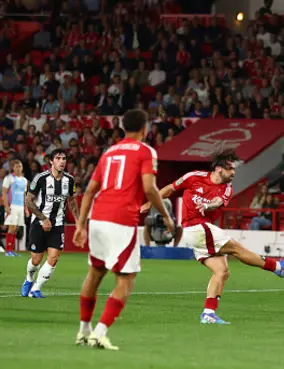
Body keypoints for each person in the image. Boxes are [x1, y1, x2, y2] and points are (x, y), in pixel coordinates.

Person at [142, 147, 284, 324]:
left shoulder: (226, 189)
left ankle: (208, 314)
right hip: (196, 228)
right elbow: (170, 188)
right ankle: (277, 266)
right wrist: (150, 203)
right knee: (236, 248)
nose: (233, 172)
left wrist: (209, 206)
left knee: (222, 271)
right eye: (230, 169)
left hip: (200, 232)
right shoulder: (194, 177)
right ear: (219, 169)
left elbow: (218, 202)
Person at [72, 109, 175, 350]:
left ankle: (83, 330)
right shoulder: (146, 151)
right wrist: (167, 216)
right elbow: (149, 188)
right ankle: (100, 332)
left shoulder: (109, 152)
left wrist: (80, 224)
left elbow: (89, 190)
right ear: (145, 129)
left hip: (98, 216)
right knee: (126, 279)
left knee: (95, 273)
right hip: (121, 219)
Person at [21, 149, 79, 298]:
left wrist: (78, 221)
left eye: (64, 158)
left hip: (58, 224)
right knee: (36, 259)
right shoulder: (40, 178)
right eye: (58, 158)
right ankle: (29, 279)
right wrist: (43, 218)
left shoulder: (70, 180)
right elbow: (29, 201)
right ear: (51, 161)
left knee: (53, 257)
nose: (62, 161)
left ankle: (36, 289)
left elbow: (71, 202)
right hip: (39, 223)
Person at [2, 159, 28, 256]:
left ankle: (12, 250)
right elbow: (4, 192)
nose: (18, 168)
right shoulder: (9, 178)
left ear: (22, 168)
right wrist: (6, 206)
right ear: (13, 168)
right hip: (12, 206)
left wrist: (26, 208)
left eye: (19, 166)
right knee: (11, 227)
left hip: (20, 207)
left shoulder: (24, 180)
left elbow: (24, 195)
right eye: (16, 167)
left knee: (16, 228)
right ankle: (8, 250)